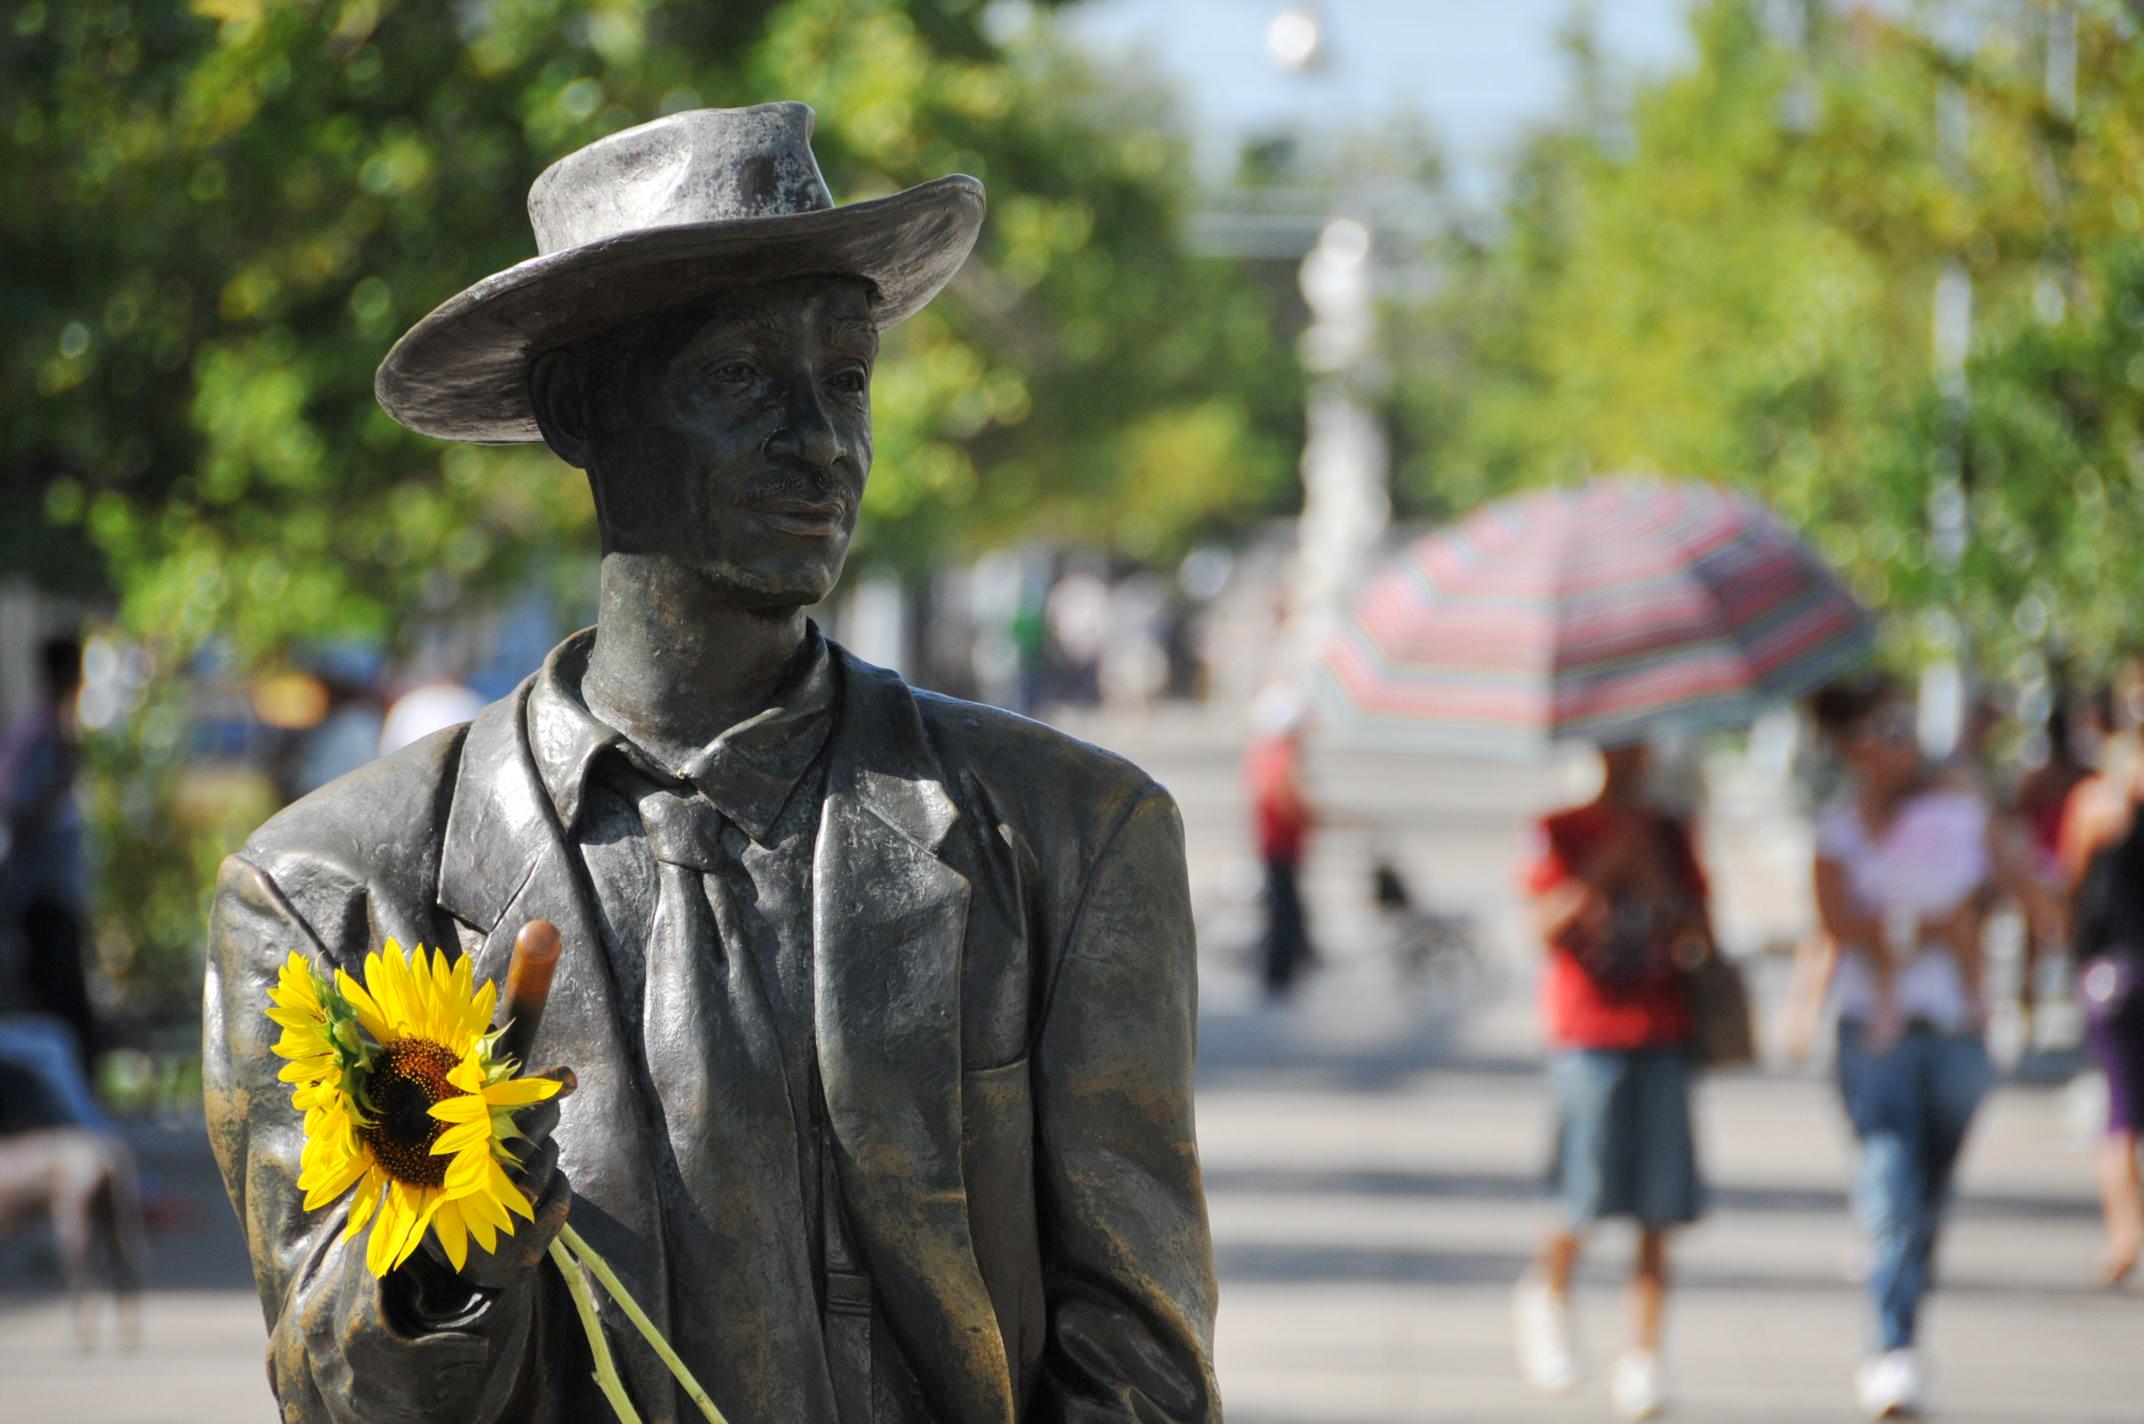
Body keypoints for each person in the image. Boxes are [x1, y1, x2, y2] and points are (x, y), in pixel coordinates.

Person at [202, 105, 1217, 1424]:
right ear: (581, 410)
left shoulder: (1069, 837)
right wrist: (449, 1256)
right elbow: (333, 1394)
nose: (821, 441)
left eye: (846, 380)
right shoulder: (336, 890)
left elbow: (1139, 1359)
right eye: (741, 379)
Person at [1806, 676, 2058, 1419]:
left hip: (1956, 1033)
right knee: (1889, 1179)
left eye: (1898, 729)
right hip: (1873, 1032)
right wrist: (1922, 932)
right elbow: (1835, 924)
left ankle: (1902, 1303)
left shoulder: (1960, 813)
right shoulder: (1839, 830)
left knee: (1929, 1192)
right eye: (1874, 733)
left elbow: (2030, 899)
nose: (1890, 745)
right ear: (1850, 749)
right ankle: (1892, 1349)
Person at [1514, 740, 1707, 1424]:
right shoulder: (1559, 828)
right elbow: (1543, 925)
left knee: (1661, 1206)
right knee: (1581, 1194)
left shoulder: (1670, 831)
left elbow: (1699, 930)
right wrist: (1605, 865)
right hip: (1588, 1033)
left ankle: (1643, 1357)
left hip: (1662, 1028)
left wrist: (1654, 874)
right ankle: (1548, 1294)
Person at [2056, 695, 2144, 1288]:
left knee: (2120, 1117)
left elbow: (2072, 887)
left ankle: (2126, 1233)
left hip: (2117, 976)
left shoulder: (2097, 803)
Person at [0, 634, 98, 1078]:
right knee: (55, 996)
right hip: (42, 889)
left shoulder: (52, 728)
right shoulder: (42, 733)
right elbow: (21, 806)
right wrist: (60, 777)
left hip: (55, 885)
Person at [1244, 683, 1315, 999]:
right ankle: (1279, 972)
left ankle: (1292, 962)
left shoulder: (1260, 752)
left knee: (1285, 909)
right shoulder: (1284, 755)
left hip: (1274, 843)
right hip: (1282, 845)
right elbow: (1287, 800)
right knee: (1285, 912)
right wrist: (1310, 815)